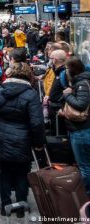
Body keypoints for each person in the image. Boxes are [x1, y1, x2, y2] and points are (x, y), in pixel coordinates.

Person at [0, 62, 45, 217]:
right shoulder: (31, 94)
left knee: (5, 174)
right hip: (23, 139)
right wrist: (39, 143)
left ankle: (5, 205)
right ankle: (21, 207)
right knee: (22, 174)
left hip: (2, 138)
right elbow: (37, 122)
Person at [59, 58, 90, 196]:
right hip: (79, 130)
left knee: (85, 166)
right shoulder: (80, 82)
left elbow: (81, 104)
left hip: (82, 130)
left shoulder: (83, 84)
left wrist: (68, 95)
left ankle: (84, 196)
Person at [48, 49, 68, 135]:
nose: (50, 60)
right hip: (55, 107)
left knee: (60, 133)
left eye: (50, 58)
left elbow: (68, 91)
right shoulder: (58, 71)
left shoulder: (64, 73)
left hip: (59, 109)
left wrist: (63, 107)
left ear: (55, 59)